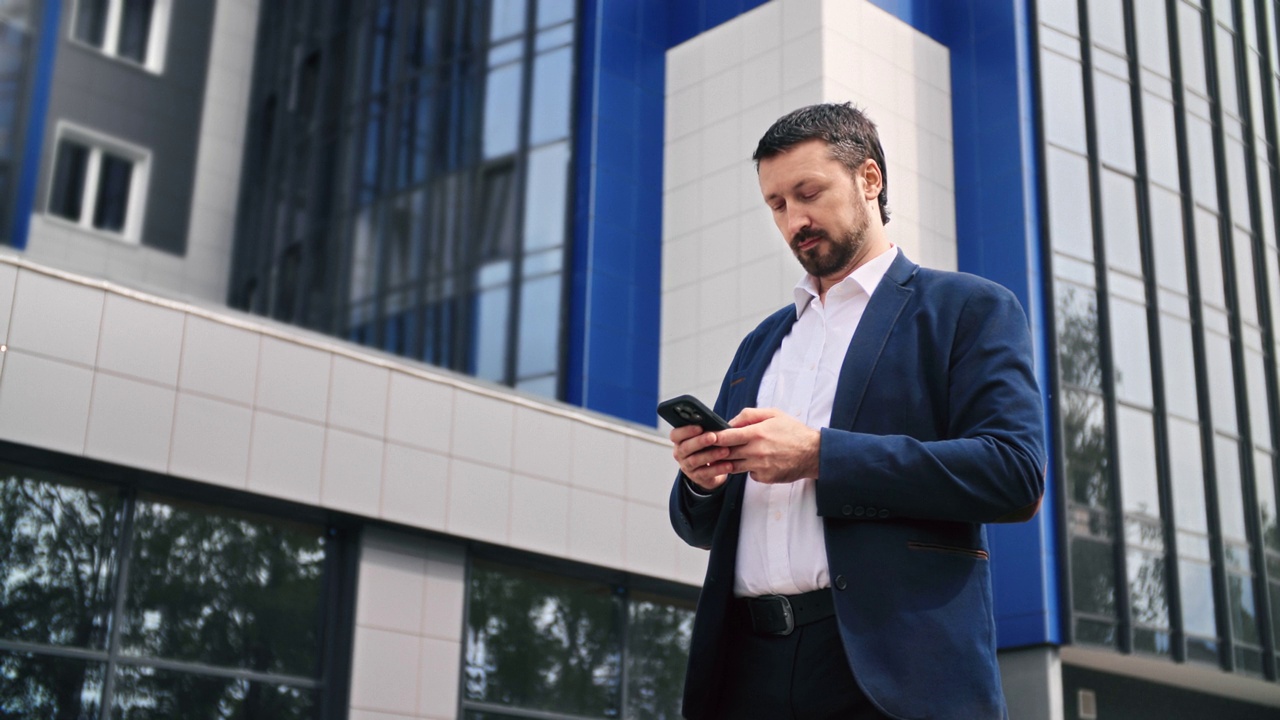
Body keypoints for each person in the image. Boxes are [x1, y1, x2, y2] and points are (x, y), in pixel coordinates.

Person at [667, 103, 1045, 720]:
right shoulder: (761, 343)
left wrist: (820, 455)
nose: (794, 219)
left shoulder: (967, 309)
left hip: (887, 672)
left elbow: (1015, 475)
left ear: (869, 180)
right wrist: (702, 479)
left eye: (808, 193)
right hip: (744, 671)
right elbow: (704, 529)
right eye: (777, 205)